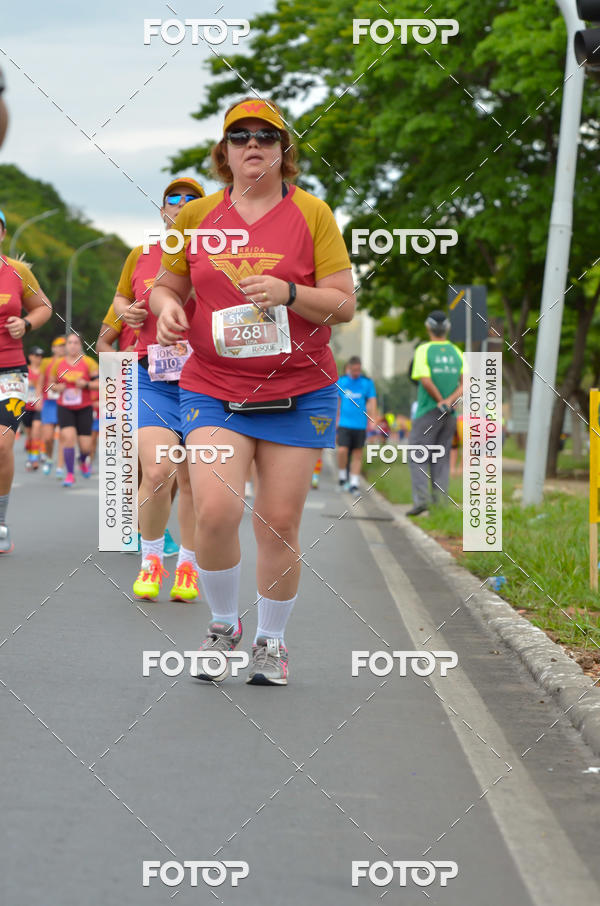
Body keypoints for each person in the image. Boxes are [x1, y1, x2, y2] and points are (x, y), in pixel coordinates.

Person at [150, 96, 355, 685]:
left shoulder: (312, 214)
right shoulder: (195, 219)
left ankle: (271, 640)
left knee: (279, 521)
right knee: (215, 512)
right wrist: (166, 311)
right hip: (215, 388)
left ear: (284, 151)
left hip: (300, 390)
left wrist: (291, 293)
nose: (253, 145)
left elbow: (343, 304)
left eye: (266, 136)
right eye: (241, 137)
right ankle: (222, 626)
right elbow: (166, 286)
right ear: (225, 152)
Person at [112, 177, 204, 600]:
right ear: (163, 210)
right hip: (154, 377)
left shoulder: (220, 255)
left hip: (207, 380)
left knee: (192, 481)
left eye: (192, 199)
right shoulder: (142, 254)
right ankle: (152, 559)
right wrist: (127, 312)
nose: (182, 204)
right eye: (174, 199)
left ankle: (187, 566)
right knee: (158, 470)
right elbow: (119, 300)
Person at [96, 290, 180, 557]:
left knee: (172, 465)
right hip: (134, 386)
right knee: (141, 464)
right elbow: (102, 344)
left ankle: (156, 525)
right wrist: (127, 358)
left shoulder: (186, 296)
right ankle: (133, 527)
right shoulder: (130, 305)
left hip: (181, 383)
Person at [0, 209, 53, 551]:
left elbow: (44, 306)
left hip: (11, 373)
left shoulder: (16, 272)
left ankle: (0, 520)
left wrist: (27, 324)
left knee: (2, 444)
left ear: (2, 233)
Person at [407, 310, 463, 516]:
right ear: (447, 328)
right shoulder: (456, 352)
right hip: (450, 415)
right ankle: (440, 505)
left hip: (427, 412)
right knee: (441, 458)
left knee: (417, 455)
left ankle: (422, 502)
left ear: (428, 327)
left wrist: (440, 400)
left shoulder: (424, 350)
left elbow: (425, 379)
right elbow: (465, 383)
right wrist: (450, 401)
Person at [49, 332, 99, 487]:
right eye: (69, 343)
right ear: (66, 346)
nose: (72, 345)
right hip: (65, 407)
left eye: (76, 342)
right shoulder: (58, 364)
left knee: (86, 446)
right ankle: (70, 474)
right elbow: (50, 385)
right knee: (68, 438)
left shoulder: (89, 362)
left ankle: (83, 460)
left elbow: (99, 383)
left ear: (80, 345)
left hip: (84, 407)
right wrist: (58, 387)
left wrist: (85, 385)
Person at [336, 356, 377, 494]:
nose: (356, 372)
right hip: (344, 423)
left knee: (357, 454)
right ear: (349, 368)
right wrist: (335, 419)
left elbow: (372, 401)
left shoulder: (367, 383)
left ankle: (354, 482)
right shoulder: (342, 381)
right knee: (342, 450)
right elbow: (337, 402)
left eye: (358, 370)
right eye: (354, 370)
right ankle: (342, 476)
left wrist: (372, 420)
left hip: (360, 425)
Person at [37, 336, 66, 476]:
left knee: (62, 436)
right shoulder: (46, 362)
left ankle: (60, 467)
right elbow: (40, 381)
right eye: (58, 346)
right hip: (49, 403)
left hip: (64, 402)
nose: (61, 348)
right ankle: (49, 458)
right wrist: (38, 398)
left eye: (63, 346)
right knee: (48, 437)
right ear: (53, 348)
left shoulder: (69, 362)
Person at [22, 346, 44, 470]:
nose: (38, 358)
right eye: (36, 356)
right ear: (30, 357)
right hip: (26, 406)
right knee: (30, 435)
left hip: (38, 406)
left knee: (36, 430)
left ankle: (34, 459)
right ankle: (31, 456)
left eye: (40, 356)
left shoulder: (43, 371)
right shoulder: (25, 371)